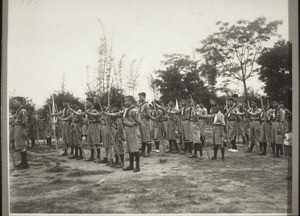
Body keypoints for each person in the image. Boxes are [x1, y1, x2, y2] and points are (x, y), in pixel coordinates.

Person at [104, 95, 142, 173]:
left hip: (132, 129)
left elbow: (139, 122)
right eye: (124, 101)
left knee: (135, 148)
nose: (125, 102)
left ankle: (137, 166)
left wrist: (133, 125)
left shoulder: (134, 110)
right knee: (130, 148)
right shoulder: (126, 110)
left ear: (131, 101)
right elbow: (116, 114)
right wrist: (106, 113)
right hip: (127, 129)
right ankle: (131, 165)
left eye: (126, 101)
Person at [12, 96, 29, 169]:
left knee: (21, 145)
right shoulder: (18, 111)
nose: (14, 103)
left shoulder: (22, 111)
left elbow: (24, 122)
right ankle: (23, 162)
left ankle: (25, 164)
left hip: (20, 128)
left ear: (20, 102)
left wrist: (23, 129)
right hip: (18, 128)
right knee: (19, 145)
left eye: (15, 101)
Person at [138, 92, 152, 157]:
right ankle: (143, 151)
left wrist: (152, 118)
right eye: (139, 97)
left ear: (144, 97)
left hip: (145, 120)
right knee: (142, 137)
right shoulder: (140, 105)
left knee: (146, 136)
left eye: (141, 97)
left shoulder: (146, 105)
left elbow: (148, 114)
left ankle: (148, 152)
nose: (139, 98)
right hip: (140, 120)